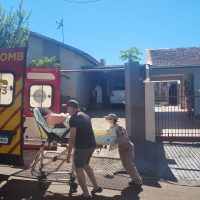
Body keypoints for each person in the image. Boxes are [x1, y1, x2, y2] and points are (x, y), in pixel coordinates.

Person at [65, 100, 102, 198]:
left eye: (67, 108)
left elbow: (72, 138)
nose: (67, 110)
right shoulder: (85, 115)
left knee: (78, 169)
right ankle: (96, 187)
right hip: (92, 145)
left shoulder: (73, 119)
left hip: (82, 147)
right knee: (85, 165)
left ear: (72, 108)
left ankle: (86, 194)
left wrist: (68, 155)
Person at [105, 113, 143, 190]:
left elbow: (123, 138)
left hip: (128, 147)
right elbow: (110, 140)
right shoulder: (110, 129)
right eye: (108, 119)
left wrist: (113, 140)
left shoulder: (119, 128)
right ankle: (134, 179)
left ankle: (138, 181)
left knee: (129, 164)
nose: (108, 120)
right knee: (125, 165)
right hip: (121, 149)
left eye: (109, 119)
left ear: (113, 120)